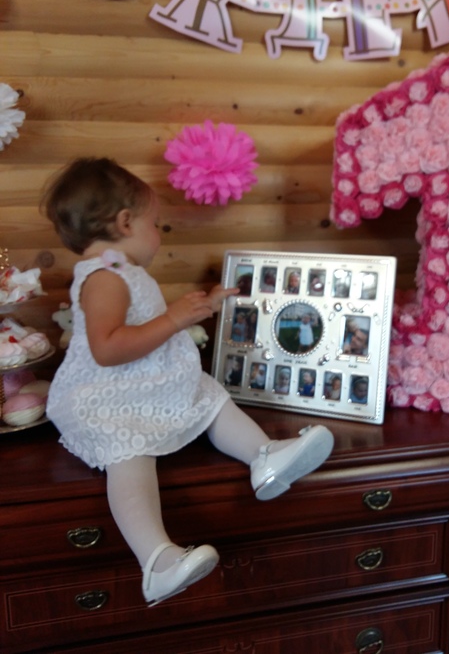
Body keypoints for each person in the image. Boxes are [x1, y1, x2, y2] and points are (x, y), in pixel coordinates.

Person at [41, 157, 334, 608]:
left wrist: (196, 309)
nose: (159, 236)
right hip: (103, 396)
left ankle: (264, 456)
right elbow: (107, 349)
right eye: (156, 224)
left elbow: (142, 326)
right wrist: (174, 319)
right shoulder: (103, 278)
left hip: (143, 383)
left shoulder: (119, 270)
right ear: (125, 223)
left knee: (208, 396)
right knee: (129, 450)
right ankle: (156, 561)